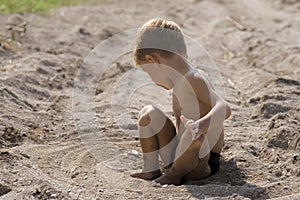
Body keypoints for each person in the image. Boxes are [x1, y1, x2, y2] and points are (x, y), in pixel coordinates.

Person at [130, 18, 231, 185]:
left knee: (193, 136)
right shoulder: (179, 80)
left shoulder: (193, 78)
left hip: (201, 160)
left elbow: (224, 108)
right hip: (179, 152)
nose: (152, 79)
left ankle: (173, 175)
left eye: (148, 72)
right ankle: (151, 168)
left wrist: (200, 126)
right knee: (148, 113)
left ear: (152, 61)